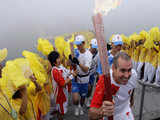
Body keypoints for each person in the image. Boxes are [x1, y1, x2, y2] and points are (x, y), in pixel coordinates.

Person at [89, 52, 137, 120]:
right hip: (108, 117)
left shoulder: (133, 75)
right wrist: (101, 112)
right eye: (122, 70)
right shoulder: (105, 80)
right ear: (113, 68)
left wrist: (130, 103)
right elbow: (91, 115)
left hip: (126, 114)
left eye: (129, 70)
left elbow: (131, 92)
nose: (127, 76)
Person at [71, 35, 93, 116]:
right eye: (76, 44)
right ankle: (76, 107)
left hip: (85, 79)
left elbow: (86, 69)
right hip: (76, 78)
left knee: (83, 98)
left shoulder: (88, 55)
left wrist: (78, 63)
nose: (77, 46)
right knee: (75, 99)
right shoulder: (76, 51)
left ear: (83, 43)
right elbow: (71, 63)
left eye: (79, 44)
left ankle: (80, 106)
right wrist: (71, 60)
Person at [48, 51, 72, 119]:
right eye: (57, 58)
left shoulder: (61, 66)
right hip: (60, 96)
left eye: (59, 57)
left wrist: (72, 70)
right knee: (62, 112)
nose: (59, 59)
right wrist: (72, 76)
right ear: (53, 61)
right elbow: (62, 83)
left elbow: (68, 72)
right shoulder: (55, 71)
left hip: (64, 93)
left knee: (61, 110)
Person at [86, 38, 99, 107]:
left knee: (90, 88)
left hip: (92, 74)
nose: (95, 49)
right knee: (85, 88)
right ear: (90, 45)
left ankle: (88, 99)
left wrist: (97, 73)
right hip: (85, 73)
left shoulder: (98, 54)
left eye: (96, 48)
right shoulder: (86, 53)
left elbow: (98, 64)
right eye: (93, 47)